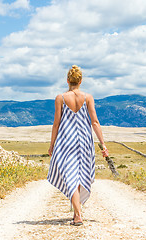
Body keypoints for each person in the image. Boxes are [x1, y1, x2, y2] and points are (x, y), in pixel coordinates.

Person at [47, 65, 109, 226]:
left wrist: (52, 144)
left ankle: (78, 215)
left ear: (67, 80)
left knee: (70, 176)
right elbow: (95, 122)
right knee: (80, 175)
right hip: (84, 141)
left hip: (66, 141)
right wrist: (103, 144)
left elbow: (56, 124)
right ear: (81, 81)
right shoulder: (88, 97)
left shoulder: (60, 98)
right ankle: (77, 213)